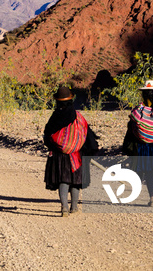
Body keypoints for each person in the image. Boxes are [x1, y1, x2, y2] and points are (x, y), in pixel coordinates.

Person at [43, 85, 99, 217]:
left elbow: (47, 134)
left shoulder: (55, 116)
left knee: (63, 180)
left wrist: (51, 146)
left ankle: (64, 208)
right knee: (75, 181)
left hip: (59, 155)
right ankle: (74, 207)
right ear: (71, 100)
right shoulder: (78, 117)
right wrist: (90, 151)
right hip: (76, 155)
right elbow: (88, 135)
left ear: (57, 101)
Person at [122, 79, 153, 206]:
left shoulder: (138, 110)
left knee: (149, 171)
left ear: (143, 94)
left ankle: (152, 198)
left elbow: (132, 123)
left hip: (145, 145)